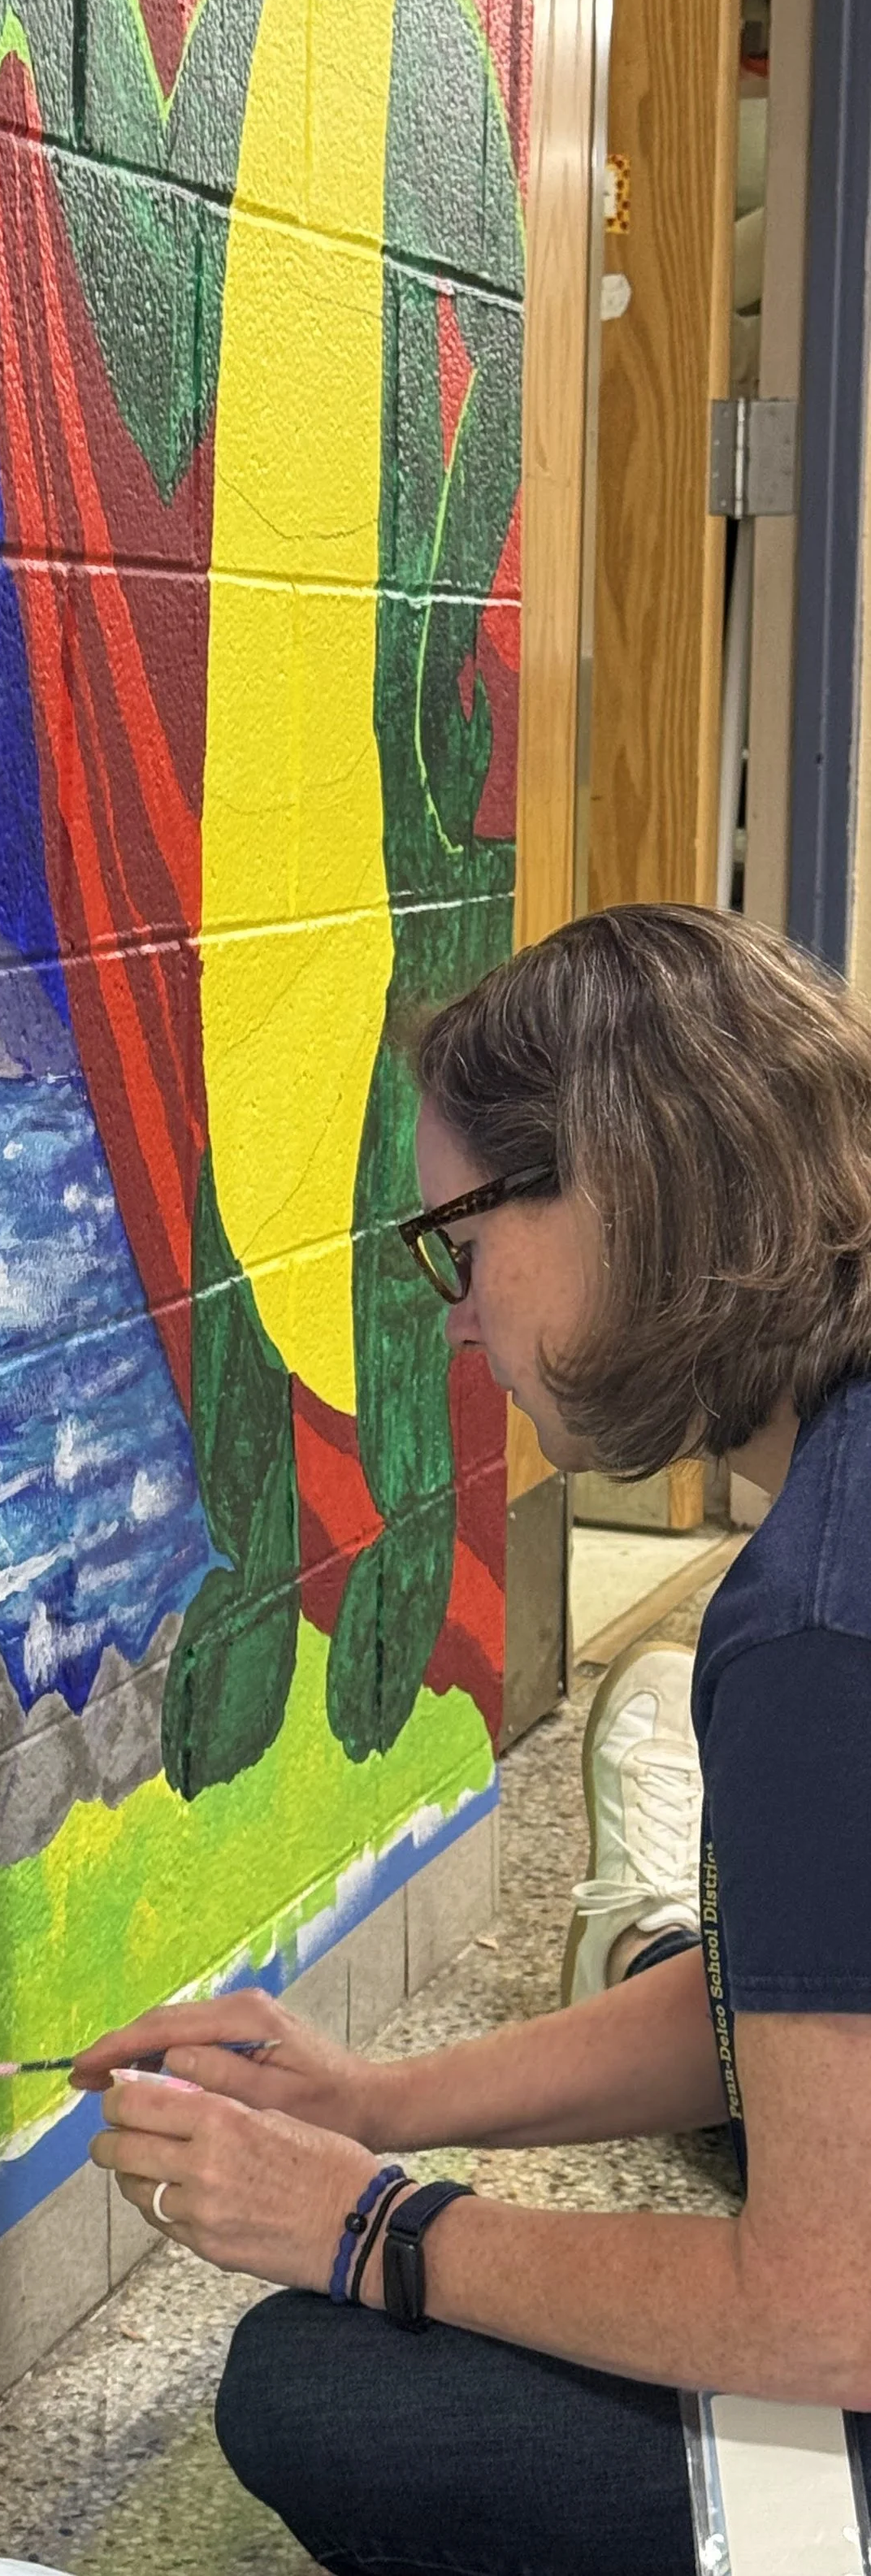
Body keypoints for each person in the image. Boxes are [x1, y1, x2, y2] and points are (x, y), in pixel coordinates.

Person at [76, 905, 871, 2576]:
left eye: (456, 1236)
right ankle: (635, 1913)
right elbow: (795, 2003)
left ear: (619, 1183)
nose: (449, 1316)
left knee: (323, 2385)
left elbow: (824, 2313)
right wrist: (375, 2098)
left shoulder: (812, 1625)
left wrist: (365, 2224)